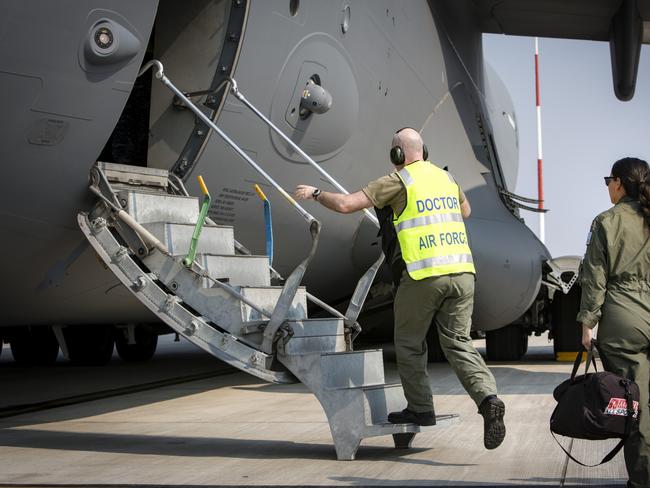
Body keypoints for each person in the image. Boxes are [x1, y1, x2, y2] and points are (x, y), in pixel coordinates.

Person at [294, 127, 506, 450]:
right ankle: (488, 399)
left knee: (409, 343)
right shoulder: (447, 180)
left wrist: (316, 193)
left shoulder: (397, 181)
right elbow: (466, 211)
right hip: (463, 273)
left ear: (397, 154)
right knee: (458, 343)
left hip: (424, 275)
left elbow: (348, 205)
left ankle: (421, 408)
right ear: (425, 150)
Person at [578, 157, 650, 488]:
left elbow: (595, 280)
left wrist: (587, 324)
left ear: (619, 183)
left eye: (608, 179)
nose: (607, 185)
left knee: (637, 409)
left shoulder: (606, 222)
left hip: (625, 323)